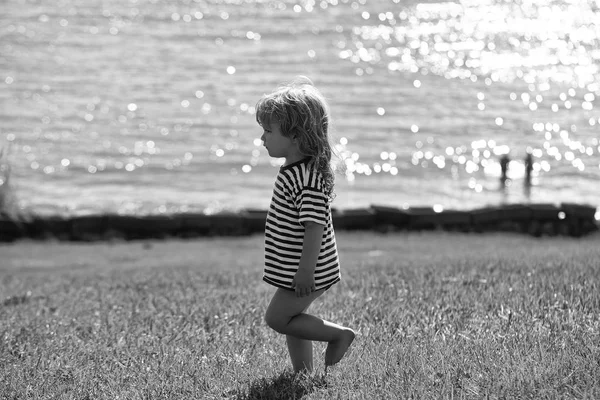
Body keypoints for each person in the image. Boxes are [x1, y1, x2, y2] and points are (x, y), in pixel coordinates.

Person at [255, 76, 355, 374]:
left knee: (277, 319)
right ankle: (304, 374)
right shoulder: (296, 170)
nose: (262, 139)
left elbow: (315, 228)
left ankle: (339, 335)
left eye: (268, 131)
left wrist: (305, 271)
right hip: (297, 266)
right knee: (292, 321)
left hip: (308, 268)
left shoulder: (306, 178)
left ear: (295, 136)